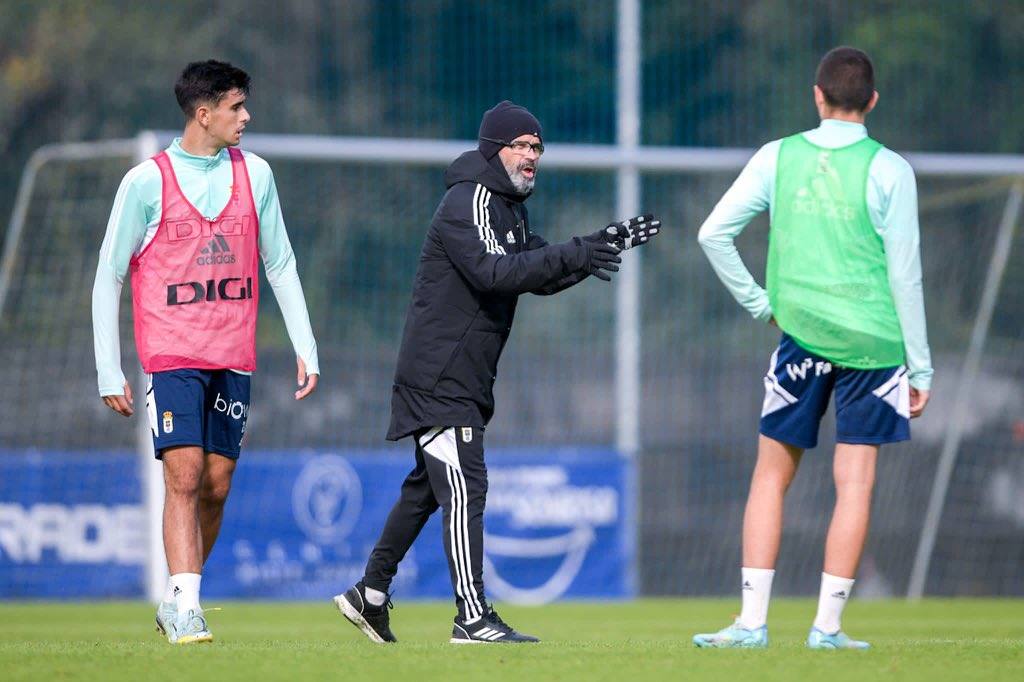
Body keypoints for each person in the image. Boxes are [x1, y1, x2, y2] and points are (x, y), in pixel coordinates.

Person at [332, 100, 660, 645]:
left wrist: (597, 246)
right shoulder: (470, 200)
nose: (532, 156)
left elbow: (537, 274)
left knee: (429, 489)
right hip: (441, 378)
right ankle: (472, 615)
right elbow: (494, 272)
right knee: (466, 489)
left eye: (538, 148)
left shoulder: (509, 207)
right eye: (522, 146)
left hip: (464, 378)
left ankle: (368, 594)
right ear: (494, 149)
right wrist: (576, 251)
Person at [693, 47, 932, 650]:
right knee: (854, 485)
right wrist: (921, 366)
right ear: (872, 101)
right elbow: (907, 276)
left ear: (817, 95)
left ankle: (751, 625)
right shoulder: (890, 168)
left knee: (770, 478)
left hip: (799, 337)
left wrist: (759, 304)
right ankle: (827, 629)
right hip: (874, 347)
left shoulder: (778, 156)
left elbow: (712, 233)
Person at [92, 60, 319, 644]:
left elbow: (281, 262)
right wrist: (108, 367)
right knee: (185, 475)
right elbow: (108, 276)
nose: (247, 117)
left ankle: (179, 593)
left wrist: (305, 345)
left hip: (234, 353)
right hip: (171, 353)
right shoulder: (146, 182)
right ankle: (188, 605)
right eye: (237, 107)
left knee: (217, 485)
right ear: (204, 113)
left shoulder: (256, 174)